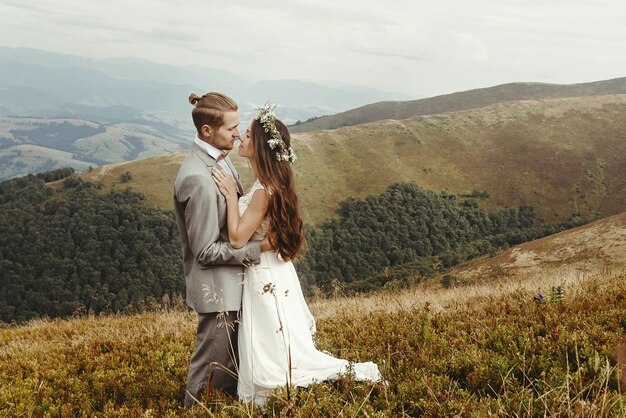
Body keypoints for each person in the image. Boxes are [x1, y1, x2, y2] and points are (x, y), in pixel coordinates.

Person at [212, 103, 382, 405]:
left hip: (263, 272)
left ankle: (276, 388)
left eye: (248, 135)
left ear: (261, 148)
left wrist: (228, 197)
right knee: (277, 332)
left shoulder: (264, 189)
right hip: (274, 269)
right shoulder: (269, 184)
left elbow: (238, 238)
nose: (241, 139)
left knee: (268, 333)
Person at [173, 92, 269, 407]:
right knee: (209, 374)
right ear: (207, 132)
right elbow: (205, 251)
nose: (238, 134)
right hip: (218, 293)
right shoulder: (198, 179)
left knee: (226, 376)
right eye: (232, 129)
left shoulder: (221, 163)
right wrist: (258, 249)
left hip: (232, 288)